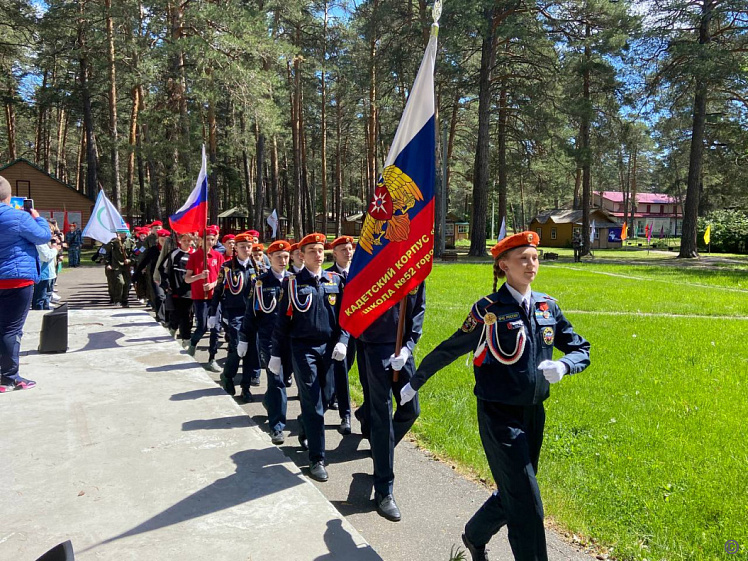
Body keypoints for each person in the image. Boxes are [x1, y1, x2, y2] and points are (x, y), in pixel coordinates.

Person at [400, 231, 590, 561]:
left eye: (535, 258)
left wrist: (565, 365)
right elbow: (452, 347)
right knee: (527, 504)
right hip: (498, 415)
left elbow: (580, 348)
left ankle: (474, 534)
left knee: (517, 490)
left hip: (533, 414)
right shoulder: (488, 310)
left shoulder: (547, 307)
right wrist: (416, 381)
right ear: (504, 265)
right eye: (523, 259)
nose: (532, 264)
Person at [268, 233, 349, 482]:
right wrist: (276, 354)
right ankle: (317, 458)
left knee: (326, 397)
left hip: (330, 348)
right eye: (311, 250)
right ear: (301, 255)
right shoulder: (292, 283)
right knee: (314, 402)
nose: (317, 254)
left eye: (320, 250)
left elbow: (345, 316)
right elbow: (282, 322)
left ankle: (305, 423)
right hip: (303, 349)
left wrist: (343, 341)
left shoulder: (334, 280)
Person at [357, 282, 425, 522]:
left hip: (401, 349)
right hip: (375, 345)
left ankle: (380, 447)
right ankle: (384, 490)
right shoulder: (373, 264)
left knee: (411, 410)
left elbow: (418, 308)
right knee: (382, 416)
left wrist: (408, 347)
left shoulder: (412, 270)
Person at [239, 240, 293, 444]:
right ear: (269, 258)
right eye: (278, 257)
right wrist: (244, 338)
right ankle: (277, 426)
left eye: (286, 256)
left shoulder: (294, 280)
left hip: (291, 339)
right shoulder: (260, 283)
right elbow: (250, 314)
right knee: (276, 380)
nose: (283, 260)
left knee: (284, 379)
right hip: (269, 339)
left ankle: (270, 401)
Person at [0, 175, 51, 391]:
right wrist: (37, 217)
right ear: (9, 196)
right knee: (11, 330)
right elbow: (43, 236)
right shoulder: (19, 217)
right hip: (17, 279)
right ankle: (9, 378)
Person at [209, 232, 257, 395]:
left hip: (253, 315)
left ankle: (246, 387)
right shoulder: (227, 267)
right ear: (235, 248)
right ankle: (228, 376)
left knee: (251, 351)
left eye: (249, 246)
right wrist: (213, 313)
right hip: (235, 314)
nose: (246, 249)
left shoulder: (257, 267)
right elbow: (218, 291)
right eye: (242, 246)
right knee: (237, 348)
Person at [324, 236, 355, 432]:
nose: (348, 252)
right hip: (336, 332)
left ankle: (333, 395)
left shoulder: (359, 272)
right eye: (343, 249)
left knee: (349, 364)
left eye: (350, 248)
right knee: (339, 371)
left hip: (357, 330)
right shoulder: (327, 276)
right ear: (334, 253)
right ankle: (345, 415)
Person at [184, 226, 223, 361]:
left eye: (212, 239)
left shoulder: (218, 256)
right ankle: (193, 343)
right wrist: (199, 276)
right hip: (200, 297)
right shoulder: (194, 257)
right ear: (200, 240)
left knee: (216, 328)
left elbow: (222, 278)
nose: (210, 242)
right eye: (207, 239)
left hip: (215, 297)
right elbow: (187, 279)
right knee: (203, 326)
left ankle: (212, 357)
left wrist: (213, 284)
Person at [165, 232, 195, 345]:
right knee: (176, 313)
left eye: (189, 240)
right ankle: (173, 328)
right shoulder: (174, 254)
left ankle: (186, 338)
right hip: (176, 289)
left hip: (189, 290)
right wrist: (166, 284)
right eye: (184, 240)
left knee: (187, 315)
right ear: (179, 241)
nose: (187, 243)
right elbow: (164, 269)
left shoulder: (195, 254)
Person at [104, 231, 132, 307]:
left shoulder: (130, 242)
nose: (121, 234)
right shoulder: (112, 243)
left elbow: (135, 253)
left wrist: (130, 260)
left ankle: (125, 300)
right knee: (120, 282)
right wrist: (107, 263)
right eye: (120, 232)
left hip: (126, 266)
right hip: (116, 266)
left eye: (123, 232)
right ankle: (117, 300)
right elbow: (106, 253)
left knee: (127, 284)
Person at [33, 238, 59, 310]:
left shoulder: (45, 242)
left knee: (47, 297)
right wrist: (54, 249)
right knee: (40, 298)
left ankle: (45, 311)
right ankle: (38, 314)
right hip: (43, 275)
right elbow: (46, 256)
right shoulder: (39, 243)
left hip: (50, 274)